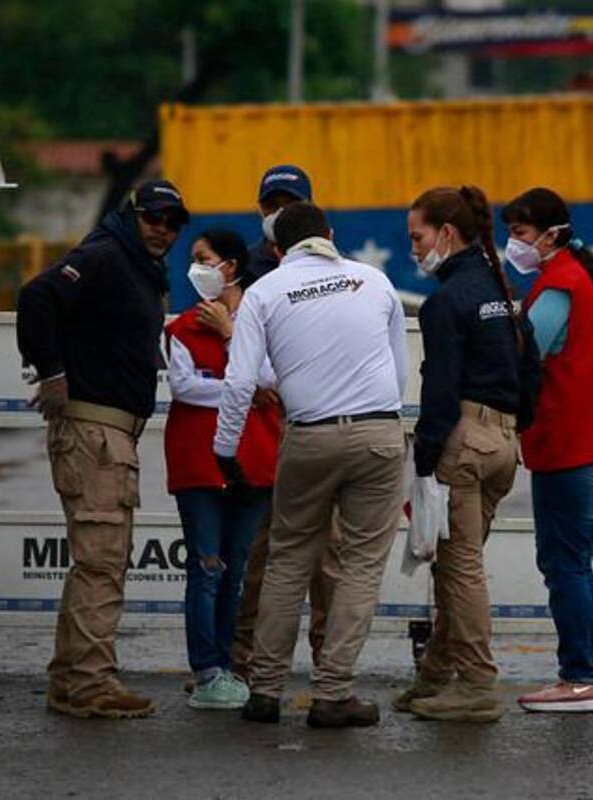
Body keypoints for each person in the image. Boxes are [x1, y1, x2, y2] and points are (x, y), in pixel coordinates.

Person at [214, 202, 408, 728]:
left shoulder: (265, 291)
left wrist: (225, 449)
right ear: (330, 235)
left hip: (308, 438)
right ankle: (333, 692)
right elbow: (398, 369)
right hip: (377, 433)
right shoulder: (374, 280)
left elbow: (239, 382)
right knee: (361, 566)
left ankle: (264, 690)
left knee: (287, 561)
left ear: (277, 250)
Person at [16, 179, 189, 719]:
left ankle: (71, 680)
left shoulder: (134, 265)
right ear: (132, 214)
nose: (163, 228)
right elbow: (38, 295)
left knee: (93, 563)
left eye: (174, 221)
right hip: (96, 435)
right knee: (102, 564)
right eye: (154, 217)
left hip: (105, 435)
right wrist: (53, 375)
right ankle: (91, 684)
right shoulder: (109, 256)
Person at [501, 187, 593, 714]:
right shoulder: (582, 278)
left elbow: (521, 357)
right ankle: (578, 675)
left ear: (551, 235)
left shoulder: (558, 286)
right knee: (573, 561)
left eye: (521, 233)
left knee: (565, 564)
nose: (515, 243)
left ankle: (577, 680)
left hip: (572, 449)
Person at [394, 186, 522, 723]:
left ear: (446, 233)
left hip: (464, 442)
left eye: (417, 237)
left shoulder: (446, 301)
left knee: (459, 569)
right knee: (456, 569)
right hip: (504, 444)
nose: (414, 250)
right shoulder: (496, 285)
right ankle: (434, 678)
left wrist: (424, 462)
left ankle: (475, 684)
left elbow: (440, 390)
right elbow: (525, 366)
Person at [165, 228, 282, 710]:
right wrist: (244, 390)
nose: (195, 268)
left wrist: (233, 342)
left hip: (253, 461)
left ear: (229, 267)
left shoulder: (264, 318)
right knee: (206, 568)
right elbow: (184, 386)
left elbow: (279, 379)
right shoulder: (179, 329)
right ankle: (207, 669)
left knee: (233, 572)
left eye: (203, 258)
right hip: (199, 463)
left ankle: (230, 666)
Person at [231, 163, 339, 681]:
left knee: (327, 559)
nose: (278, 215)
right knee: (259, 552)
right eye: (270, 205)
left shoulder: (335, 269)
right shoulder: (244, 268)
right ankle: (243, 659)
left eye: (288, 205)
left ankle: (328, 661)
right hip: (264, 431)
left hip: (318, 424)